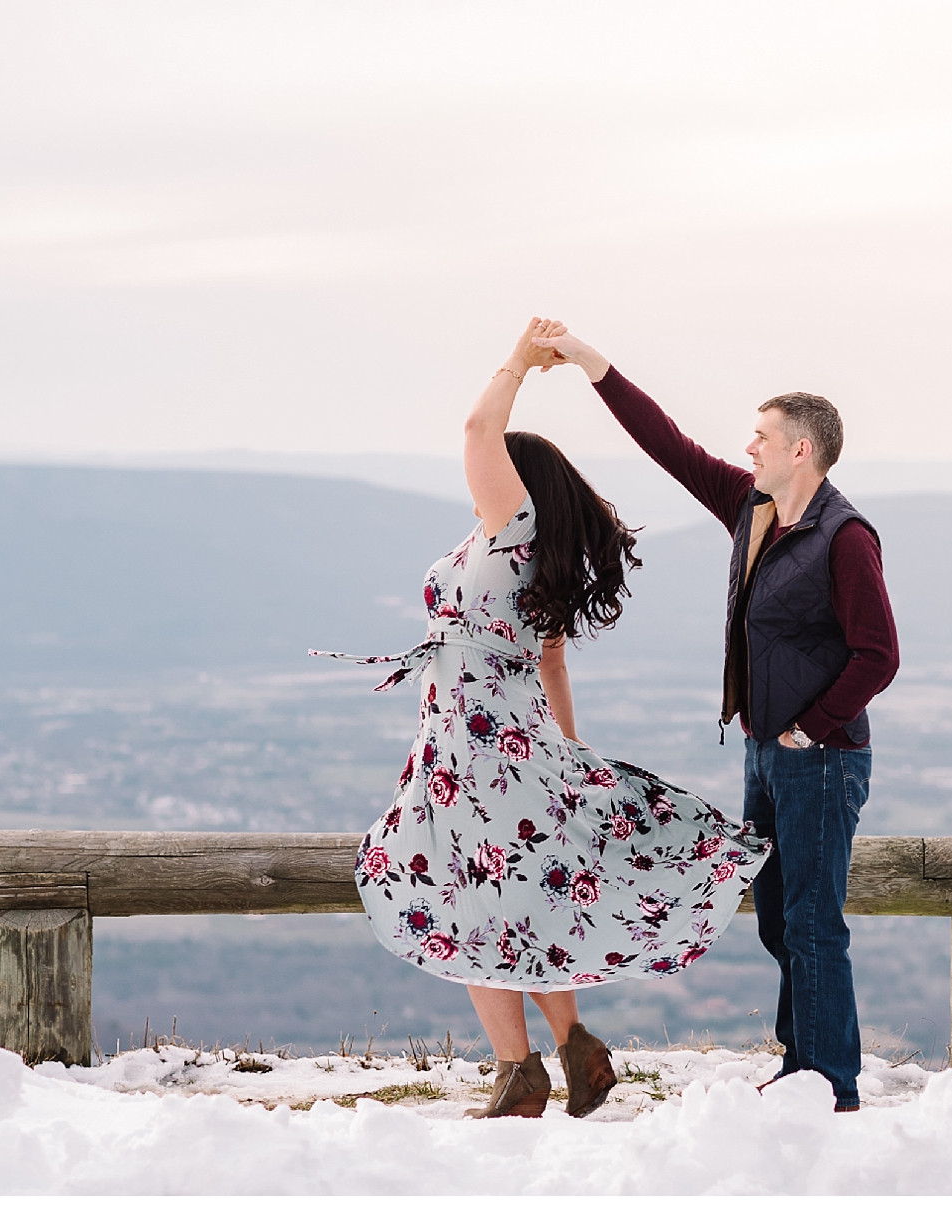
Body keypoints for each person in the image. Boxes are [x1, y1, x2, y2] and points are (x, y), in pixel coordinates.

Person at [315, 317, 771, 1120]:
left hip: (469, 747)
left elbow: (476, 427)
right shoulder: (543, 552)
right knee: (522, 898)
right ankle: (572, 1047)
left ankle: (516, 1068)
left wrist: (518, 363)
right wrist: (565, 752)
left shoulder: (510, 529)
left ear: (513, 483)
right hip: (514, 742)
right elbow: (552, 663)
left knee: (456, 897)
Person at [531, 324, 899, 1113]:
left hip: (821, 757)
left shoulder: (845, 538)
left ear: (802, 449)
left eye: (762, 437)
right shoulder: (752, 508)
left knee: (812, 922)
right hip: (767, 753)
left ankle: (831, 1083)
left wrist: (810, 728)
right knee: (778, 919)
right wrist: (594, 365)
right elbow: (669, 445)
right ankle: (802, 1065)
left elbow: (880, 655)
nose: (749, 447)